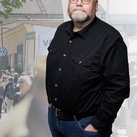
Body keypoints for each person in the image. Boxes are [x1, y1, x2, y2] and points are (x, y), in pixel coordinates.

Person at [46, 0, 130, 136]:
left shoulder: (110, 39)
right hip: (55, 120)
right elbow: (56, 68)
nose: (79, 3)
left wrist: (97, 124)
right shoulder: (61, 30)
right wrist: (51, 102)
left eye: (85, 0)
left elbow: (119, 88)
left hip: (84, 126)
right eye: (74, 0)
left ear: (96, 6)